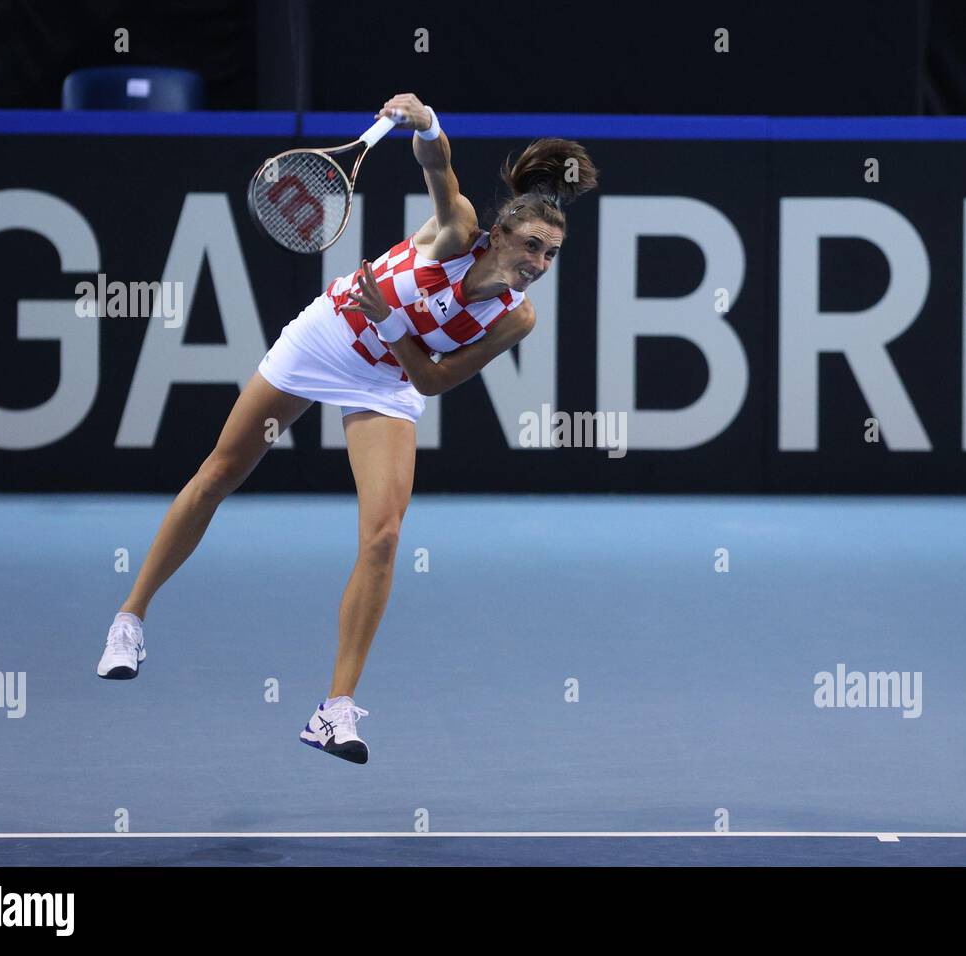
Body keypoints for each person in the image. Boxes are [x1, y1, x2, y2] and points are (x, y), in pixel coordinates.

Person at [95, 92, 599, 764]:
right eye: (532, 246)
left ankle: (333, 710)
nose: (538, 264)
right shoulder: (457, 232)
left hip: (388, 380)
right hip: (326, 340)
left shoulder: (517, 315)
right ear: (500, 235)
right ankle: (130, 619)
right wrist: (428, 123)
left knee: (385, 536)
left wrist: (393, 324)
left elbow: (432, 380)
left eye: (552, 255)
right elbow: (437, 167)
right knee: (220, 473)